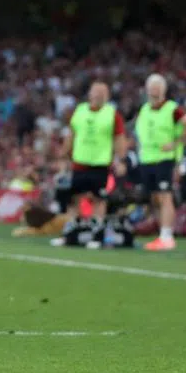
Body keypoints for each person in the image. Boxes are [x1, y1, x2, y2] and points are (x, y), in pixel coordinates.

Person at [53, 81, 125, 248]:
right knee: (73, 199)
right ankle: (71, 234)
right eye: (96, 92)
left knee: (99, 200)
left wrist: (120, 160)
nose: (98, 95)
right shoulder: (80, 111)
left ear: (107, 96)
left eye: (102, 93)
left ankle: (97, 236)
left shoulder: (112, 115)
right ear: (90, 94)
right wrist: (64, 155)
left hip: (100, 164)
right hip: (80, 163)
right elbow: (71, 134)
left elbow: (119, 139)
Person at [134, 74, 186, 252]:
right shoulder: (144, 109)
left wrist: (176, 143)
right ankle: (161, 233)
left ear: (164, 89)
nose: (154, 90)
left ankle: (167, 235)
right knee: (154, 198)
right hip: (147, 158)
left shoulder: (172, 109)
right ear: (147, 90)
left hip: (165, 159)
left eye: (157, 86)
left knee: (165, 195)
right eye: (152, 87)